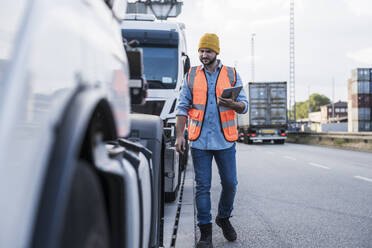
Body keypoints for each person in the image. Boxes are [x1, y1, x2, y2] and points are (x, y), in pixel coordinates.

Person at [175, 33, 248, 248]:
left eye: (207, 51)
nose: (203, 55)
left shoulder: (232, 74)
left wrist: (233, 104)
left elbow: (244, 105)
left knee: (230, 183)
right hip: (199, 141)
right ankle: (205, 232)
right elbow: (182, 107)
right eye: (201, 51)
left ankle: (223, 218)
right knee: (202, 187)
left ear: (217, 52)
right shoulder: (191, 75)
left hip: (225, 140)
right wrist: (180, 135)